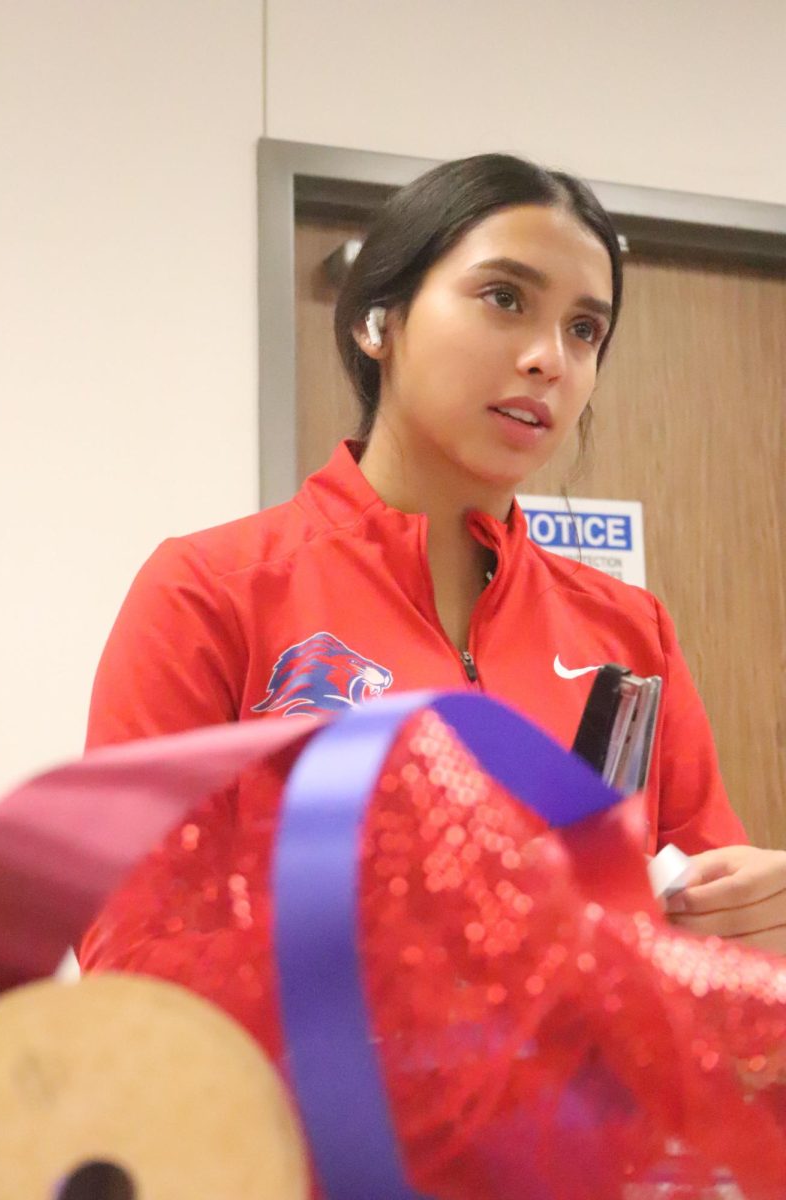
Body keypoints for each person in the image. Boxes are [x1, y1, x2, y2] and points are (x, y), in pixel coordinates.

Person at [81, 153, 786, 977]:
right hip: (307, 1106)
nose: (548, 358)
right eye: (504, 298)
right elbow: (130, 952)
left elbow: (709, 944)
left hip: (593, 1108)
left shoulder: (631, 631)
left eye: (584, 330)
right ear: (377, 321)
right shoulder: (211, 592)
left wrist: (750, 928)